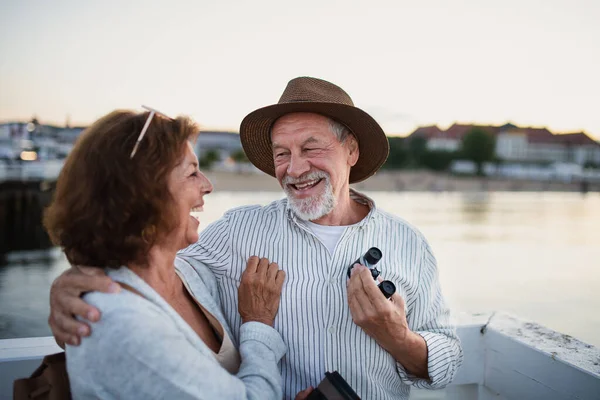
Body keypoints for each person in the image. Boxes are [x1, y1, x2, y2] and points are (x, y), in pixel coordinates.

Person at [48, 77, 463, 399]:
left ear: (350, 150)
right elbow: (151, 269)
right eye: (281, 153)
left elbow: (449, 355)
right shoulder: (237, 232)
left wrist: (401, 340)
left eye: (310, 148)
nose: (294, 168)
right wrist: (76, 282)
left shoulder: (410, 244)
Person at [43, 109, 294, 399]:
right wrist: (259, 325)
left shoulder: (188, 272)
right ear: (142, 196)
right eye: (192, 173)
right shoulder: (122, 322)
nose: (207, 185)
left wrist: (66, 282)